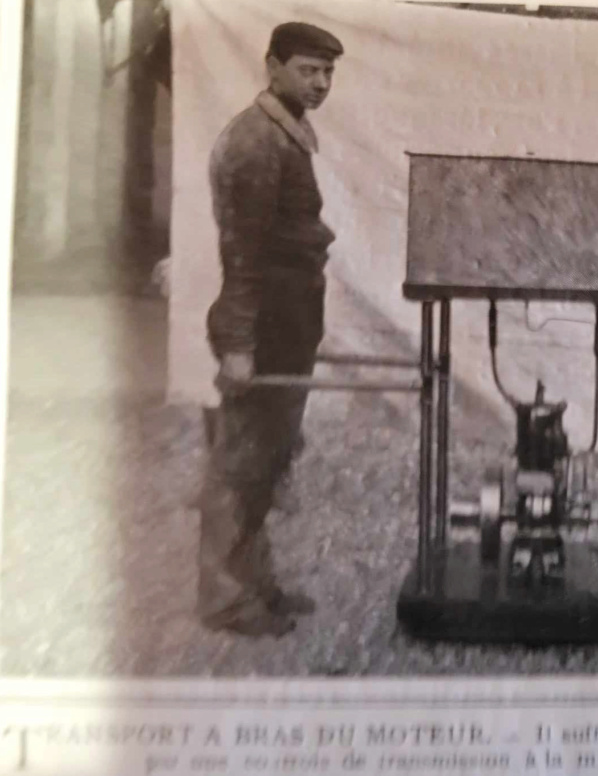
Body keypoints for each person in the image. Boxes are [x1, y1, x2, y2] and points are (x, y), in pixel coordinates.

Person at [196, 22, 344, 637]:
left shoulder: (287, 135)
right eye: (307, 70)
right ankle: (226, 599)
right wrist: (236, 346)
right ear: (272, 67)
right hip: (260, 326)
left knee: (269, 457)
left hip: (288, 322)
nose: (319, 83)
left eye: (328, 73)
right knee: (241, 462)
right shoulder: (256, 143)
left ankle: (255, 583)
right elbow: (242, 255)